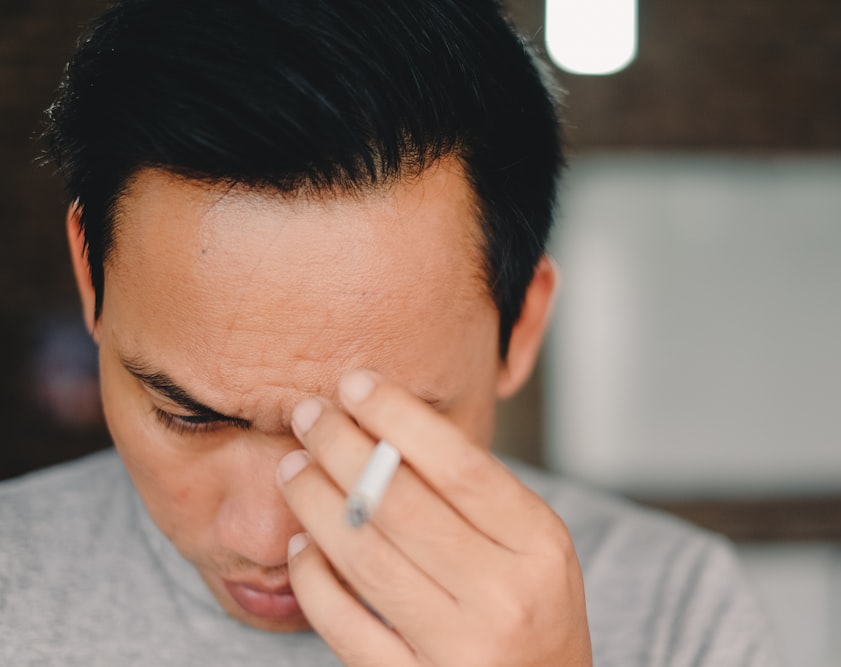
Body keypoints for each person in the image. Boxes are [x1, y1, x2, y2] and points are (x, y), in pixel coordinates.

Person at [0, 0, 779, 664]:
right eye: (190, 414)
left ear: (523, 324)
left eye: (368, 435)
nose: (274, 539)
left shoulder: (676, 612)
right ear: (89, 275)